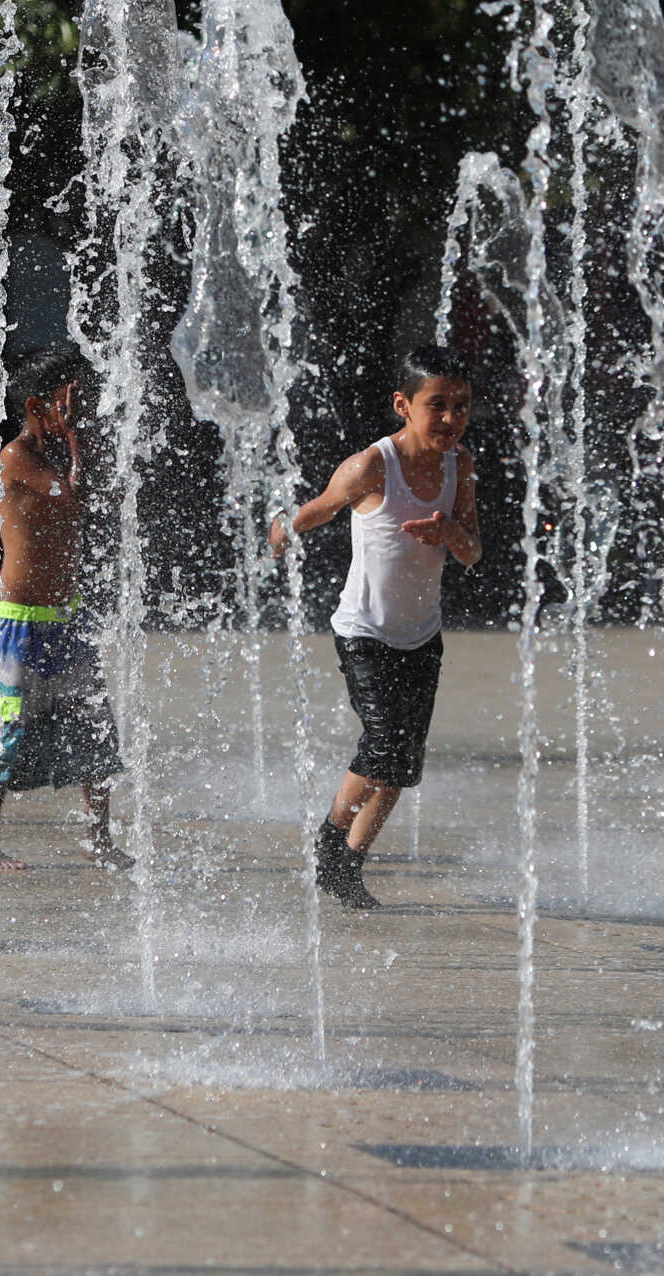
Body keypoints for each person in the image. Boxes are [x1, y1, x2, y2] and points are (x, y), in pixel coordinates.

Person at [270, 344, 480, 908]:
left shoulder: (461, 468)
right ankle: (329, 838)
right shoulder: (373, 465)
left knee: (403, 766)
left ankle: (348, 867)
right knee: (384, 743)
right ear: (403, 405)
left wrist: (448, 535)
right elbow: (322, 509)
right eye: (437, 405)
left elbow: (472, 551)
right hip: (364, 631)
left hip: (422, 635)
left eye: (461, 407)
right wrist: (284, 525)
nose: (450, 419)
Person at [0, 344, 133, 872]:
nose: (83, 411)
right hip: (21, 627)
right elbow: (74, 496)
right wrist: (80, 444)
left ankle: (97, 837)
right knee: (5, 735)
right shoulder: (17, 456)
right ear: (38, 407)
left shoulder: (54, 454)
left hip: (68, 619)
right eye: (73, 402)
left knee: (96, 727)